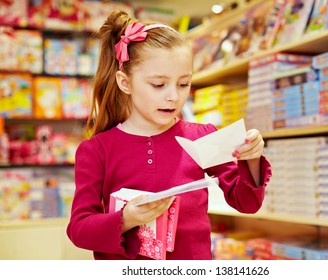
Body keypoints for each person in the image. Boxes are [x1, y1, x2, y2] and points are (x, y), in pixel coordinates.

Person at [66, 10, 272, 260]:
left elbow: (246, 203)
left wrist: (251, 159)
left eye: (183, 84)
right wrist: (126, 218)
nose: (173, 96)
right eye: (158, 85)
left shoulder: (202, 137)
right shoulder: (97, 150)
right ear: (125, 82)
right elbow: (79, 229)